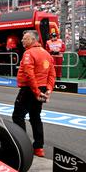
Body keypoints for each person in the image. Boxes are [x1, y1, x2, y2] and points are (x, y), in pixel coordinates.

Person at [12, 30, 56, 158]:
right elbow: (52, 74)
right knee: (35, 117)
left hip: (30, 89)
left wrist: (36, 91)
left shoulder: (29, 53)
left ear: (32, 40)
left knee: (18, 116)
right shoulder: (47, 54)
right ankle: (38, 148)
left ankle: (22, 145)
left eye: (25, 38)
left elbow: (29, 74)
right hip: (41, 88)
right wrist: (48, 89)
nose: (22, 40)